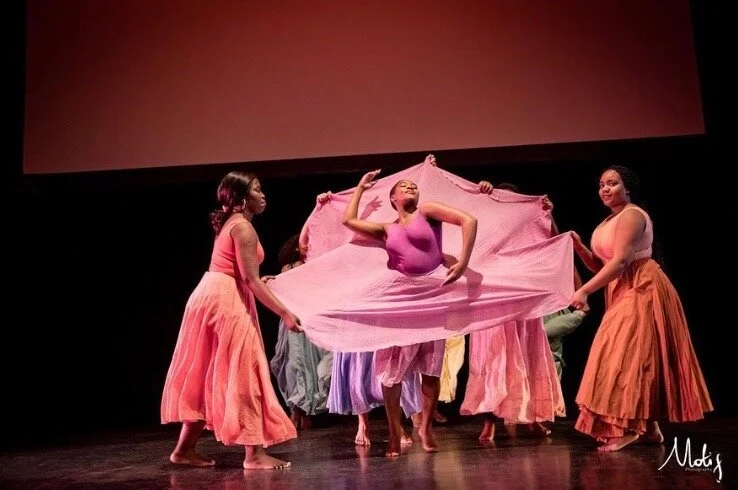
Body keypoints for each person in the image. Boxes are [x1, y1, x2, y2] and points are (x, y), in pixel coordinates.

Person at [161, 172, 302, 469]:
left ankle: (183, 450)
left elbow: (241, 272)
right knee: (246, 369)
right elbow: (249, 279)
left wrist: (259, 281)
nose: (263, 195)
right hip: (225, 300)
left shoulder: (233, 223)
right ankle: (254, 454)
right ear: (242, 199)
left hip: (213, 293)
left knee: (207, 372)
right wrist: (285, 313)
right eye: (257, 190)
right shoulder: (243, 228)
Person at [342, 154, 479, 456]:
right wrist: (361, 188)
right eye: (403, 186)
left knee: (431, 368)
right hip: (401, 298)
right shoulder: (386, 229)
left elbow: (469, 220)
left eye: (413, 185)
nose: (410, 187)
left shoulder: (427, 212)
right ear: (393, 199)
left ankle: (425, 427)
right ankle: (394, 431)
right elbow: (348, 221)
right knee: (392, 371)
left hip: (431, 295)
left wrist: (462, 263)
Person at [571, 165, 713, 451]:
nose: (605, 189)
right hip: (622, 289)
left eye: (612, 183)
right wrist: (579, 247)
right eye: (601, 185)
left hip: (643, 287)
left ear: (627, 188)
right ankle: (650, 430)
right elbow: (602, 265)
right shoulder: (607, 222)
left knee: (629, 355)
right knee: (632, 354)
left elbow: (622, 262)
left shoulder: (632, 215)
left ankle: (628, 428)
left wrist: (584, 291)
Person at [460, 182, 565, 442]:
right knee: (493, 359)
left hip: (521, 300)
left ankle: (533, 418)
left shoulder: (526, 224)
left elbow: (552, 242)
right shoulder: (485, 221)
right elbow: (465, 228)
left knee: (527, 356)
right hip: (492, 300)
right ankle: (490, 421)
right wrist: (481, 196)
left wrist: (546, 214)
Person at [270, 234, 333, 431]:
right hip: (293, 320)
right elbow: (280, 295)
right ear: (296, 247)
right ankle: (296, 409)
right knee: (294, 364)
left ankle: (306, 411)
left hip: (310, 319)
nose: (308, 246)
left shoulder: (314, 265)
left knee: (311, 365)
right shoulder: (288, 268)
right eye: (305, 243)